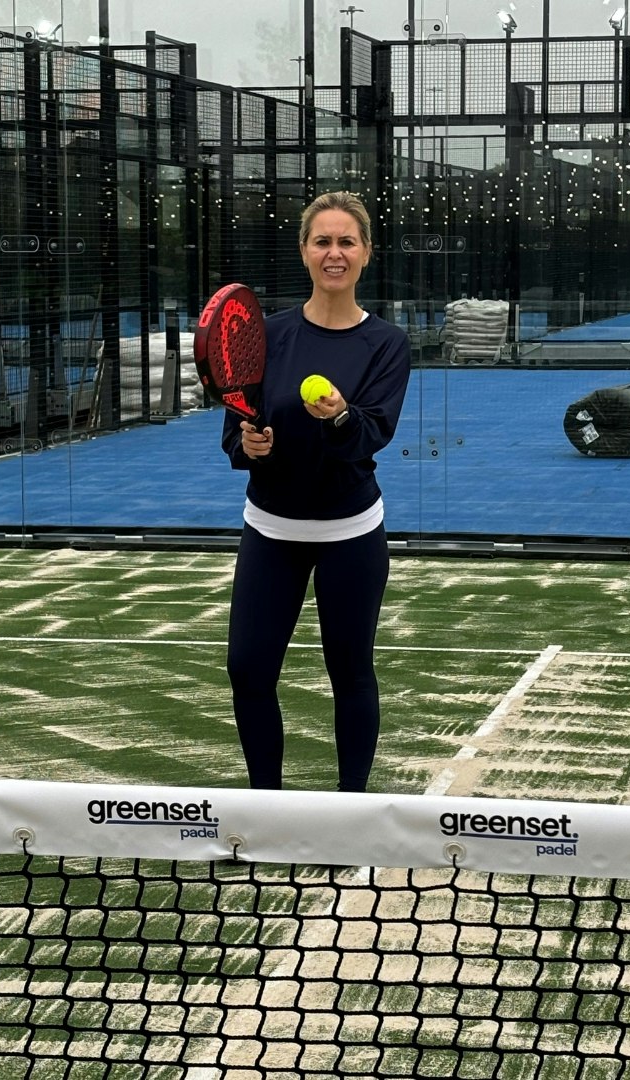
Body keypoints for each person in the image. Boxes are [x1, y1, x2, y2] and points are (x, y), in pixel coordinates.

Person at [223, 190, 411, 793]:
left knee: (350, 672)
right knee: (248, 671)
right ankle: (266, 809)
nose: (335, 253)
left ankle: (349, 810)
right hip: (270, 530)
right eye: (322, 241)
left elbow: (370, 435)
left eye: (346, 242)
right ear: (305, 252)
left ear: (366, 254)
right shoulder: (263, 334)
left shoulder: (386, 343)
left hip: (349, 533)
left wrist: (338, 417)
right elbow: (235, 428)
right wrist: (245, 446)